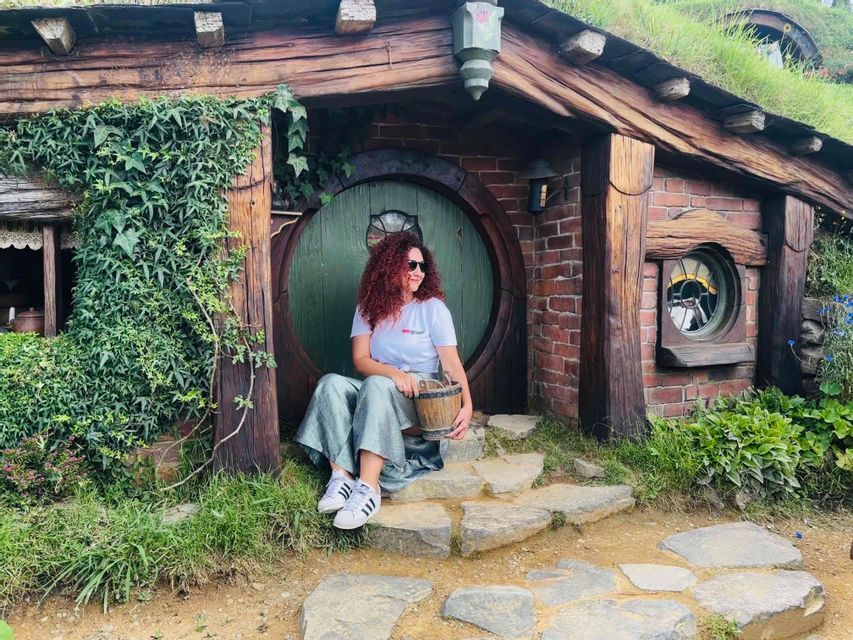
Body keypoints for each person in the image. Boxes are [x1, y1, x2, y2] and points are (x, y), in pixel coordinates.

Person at [295, 231, 473, 529]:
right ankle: (341, 477)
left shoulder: (432, 309)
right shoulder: (368, 308)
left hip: (418, 394)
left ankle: (368, 488)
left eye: (422, 265)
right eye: (410, 265)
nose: (418, 272)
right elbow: (361, 360)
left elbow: (451, 363)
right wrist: (394, 374)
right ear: (389, 267)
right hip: (383, 383)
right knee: (331, 384)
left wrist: (467, 405)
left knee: (376, 385)